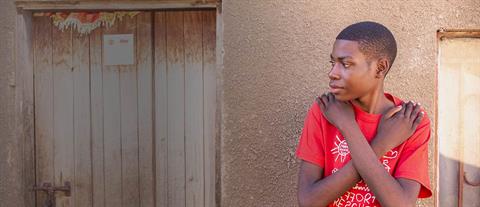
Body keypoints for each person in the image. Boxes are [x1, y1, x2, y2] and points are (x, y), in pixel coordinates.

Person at [296, 21, 432, 207]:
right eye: (332, 63)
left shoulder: (410, 120)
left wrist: (348, 127)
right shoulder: (324, 111)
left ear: (380, 68)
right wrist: (378, 142)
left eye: (345, 64)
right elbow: (309, 201)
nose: (332, 73)